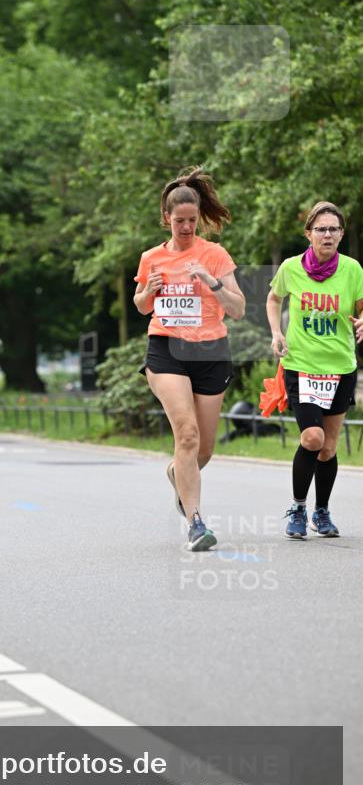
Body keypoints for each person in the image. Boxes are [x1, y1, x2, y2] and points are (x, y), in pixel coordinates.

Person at [133, 166, 245, 551]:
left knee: (204, 451)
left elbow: (239, 309)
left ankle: (176, 473)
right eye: (179, 221)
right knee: (187, 433)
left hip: (211, 353)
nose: (186, 227)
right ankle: (196, 523)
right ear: (166, 218)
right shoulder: (151, 257)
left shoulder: (214, 255)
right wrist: (149, 290)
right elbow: (142, 305)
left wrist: (211, 283)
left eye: (192, 221)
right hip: (166, 352)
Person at [266, 201, 363, 539]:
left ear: (341, 234)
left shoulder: (353, 270)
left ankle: (321, 511)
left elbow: (362, 307)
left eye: (333, 229)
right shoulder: (291, 268)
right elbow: (274, 298)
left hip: (340, 366)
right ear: (308, 234)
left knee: (329, 447)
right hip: (301, 365)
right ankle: (297, 507)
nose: (327, 234)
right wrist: (277, 332)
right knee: (312, 437)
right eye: (321, 229)